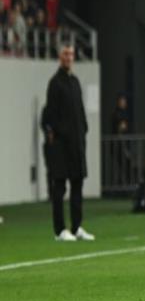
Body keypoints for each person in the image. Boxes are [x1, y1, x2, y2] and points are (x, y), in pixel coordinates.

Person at [45, 45, 95, 242]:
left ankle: (76, 227)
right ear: (60, 56)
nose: (69, 57)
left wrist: (83, 130)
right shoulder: (55, 83)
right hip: (61, 145)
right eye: (66, 54)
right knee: (59, 188)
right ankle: (59, 230)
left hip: (77, 144)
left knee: (77, 186)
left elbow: (80, 111)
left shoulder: (75, 82)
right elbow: (50, 114)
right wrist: (60, 134)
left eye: (71, 54)